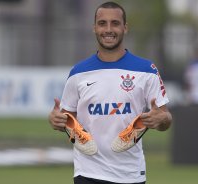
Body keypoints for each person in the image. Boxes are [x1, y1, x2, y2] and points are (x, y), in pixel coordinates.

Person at [48, 2, 172, 184]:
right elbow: (68, 120)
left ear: (125, 28)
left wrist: (161, 120)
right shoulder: (78, 73)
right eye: (102, 23)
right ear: (94, 28)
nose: (108, 29)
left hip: (130, 175)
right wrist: (56, 120)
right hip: (87, 174)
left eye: (115, 23)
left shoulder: (147, 70)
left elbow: (165, 118)